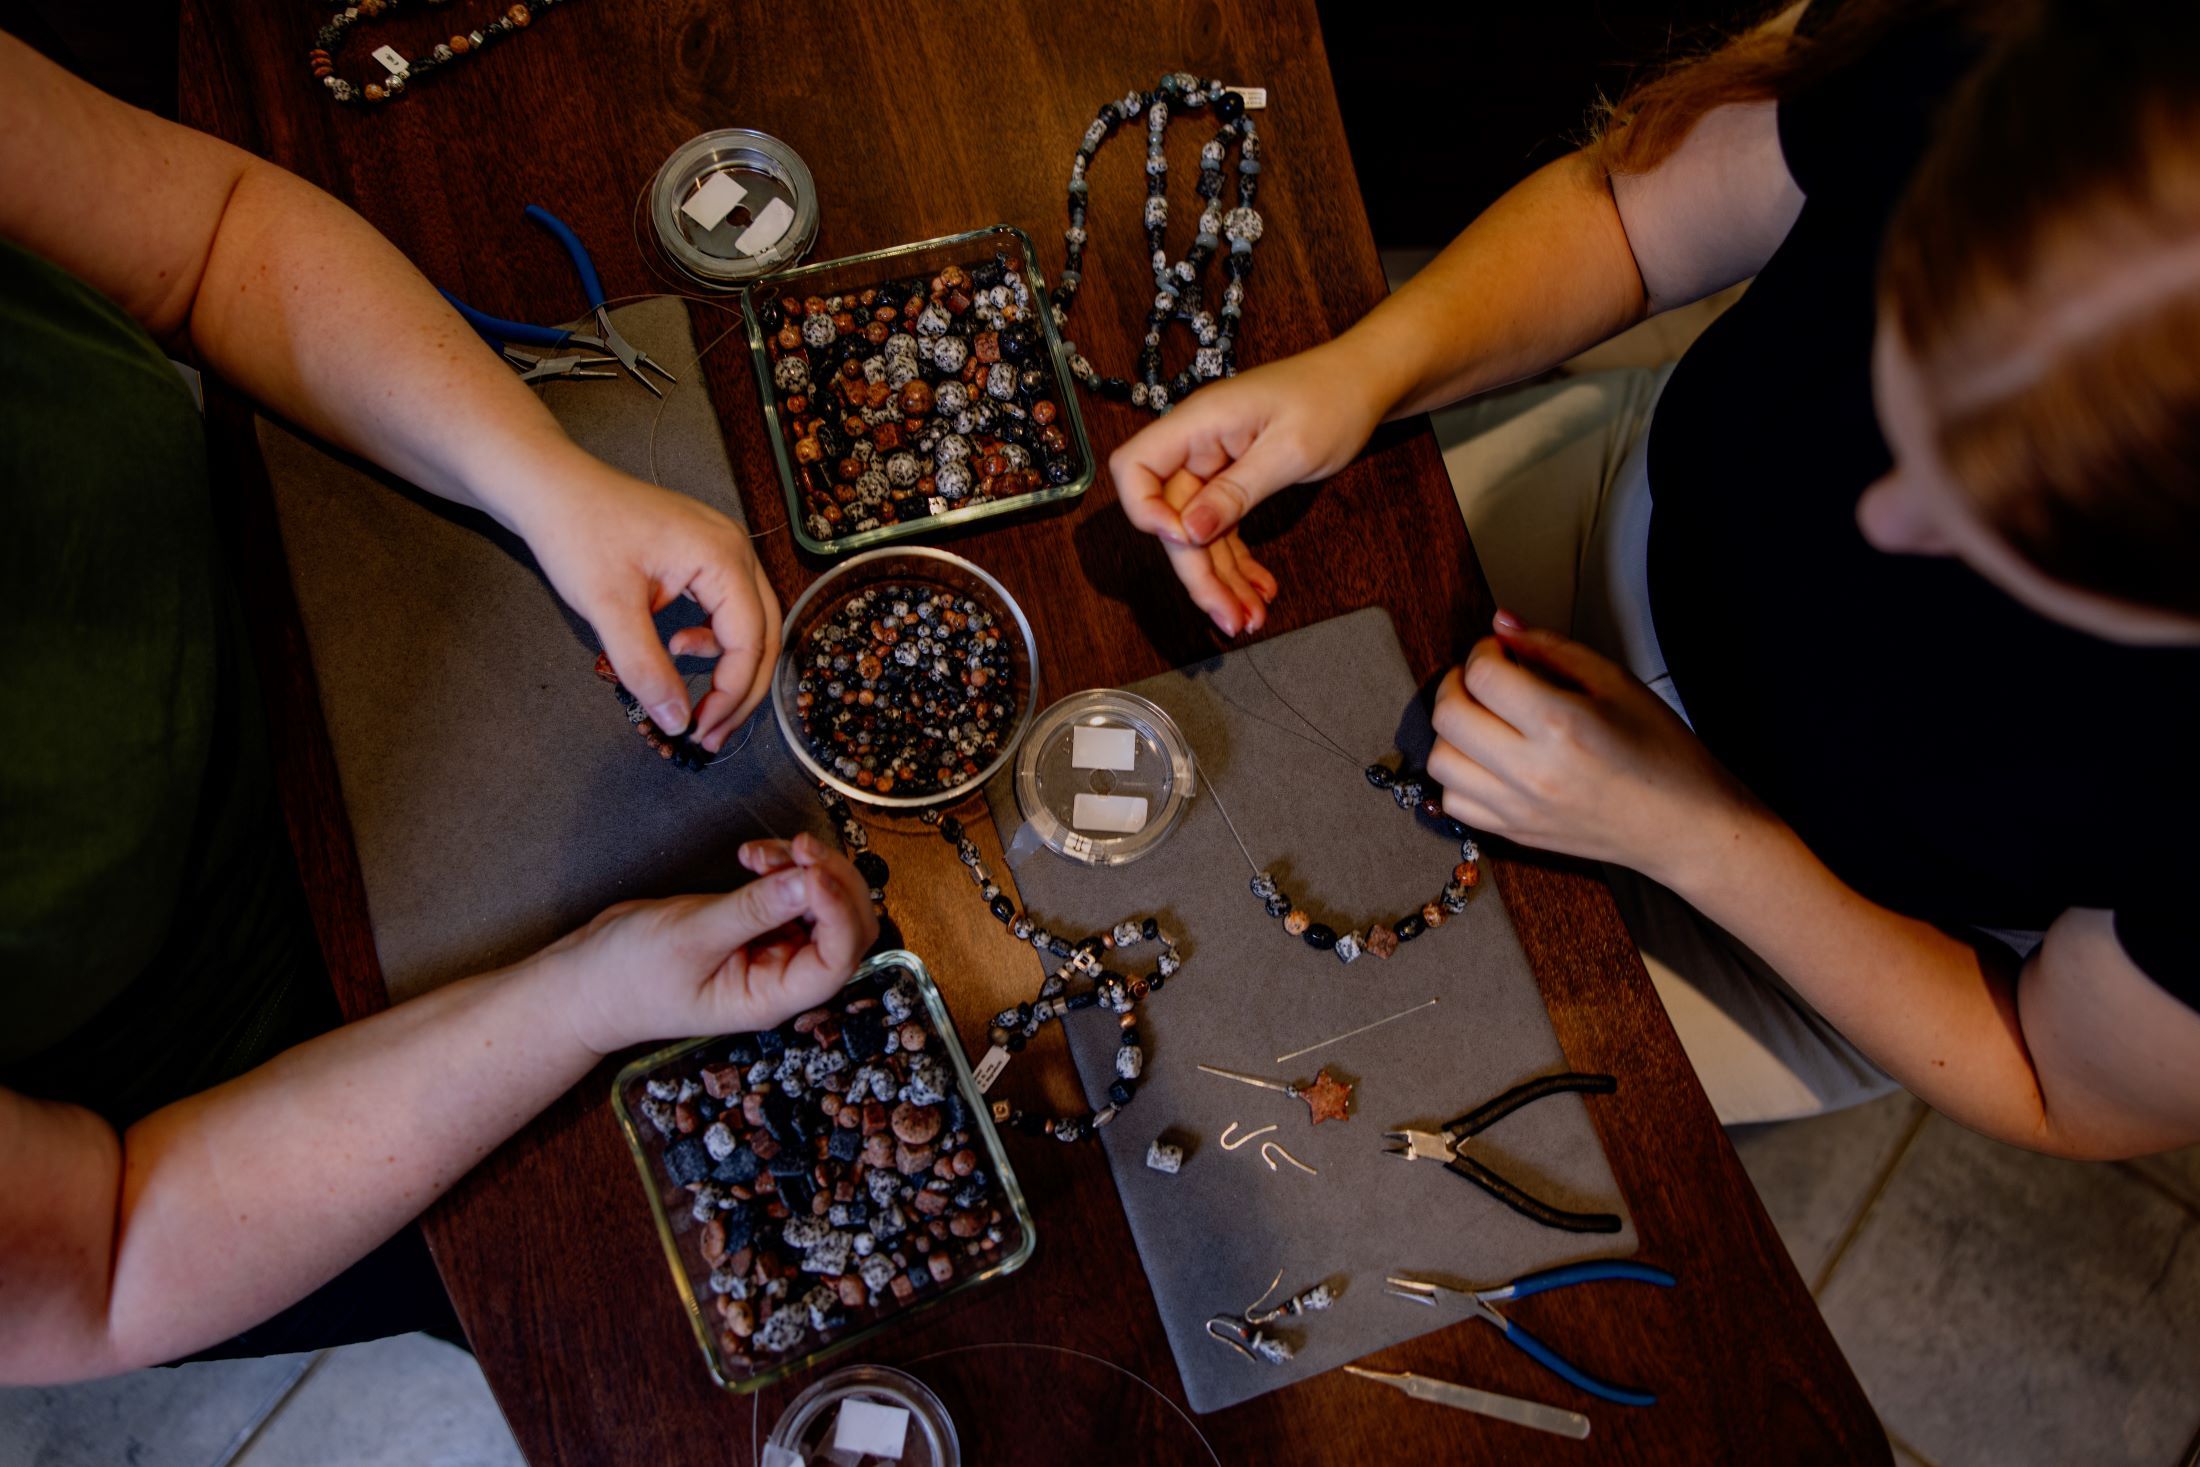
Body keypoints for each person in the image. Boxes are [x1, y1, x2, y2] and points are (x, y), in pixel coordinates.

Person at [1109, 0, 2200, 1154]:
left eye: (2001, 525)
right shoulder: (2028, 55)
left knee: (1307, 1074)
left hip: (1825, 938)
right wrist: (1367, 370)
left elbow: (2052, 1083)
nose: (1878, 515)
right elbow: (1631, 219)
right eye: (1899, 374)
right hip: (1611, 523)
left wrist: (1689, 832)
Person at [0, 33, 875, 1385]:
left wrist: (548, 486)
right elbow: (106, 1261)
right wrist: (581, 998)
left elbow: (212, 236)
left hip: (287, 557)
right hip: (212, 1076)